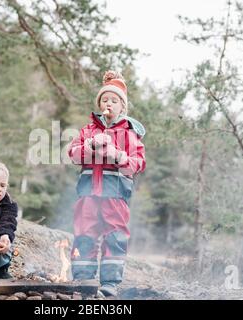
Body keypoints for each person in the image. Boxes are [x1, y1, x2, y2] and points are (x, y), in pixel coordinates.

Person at [67, 70, 146, 297]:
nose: (108, 104)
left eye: (114, 100)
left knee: (115, 235)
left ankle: (110, 282)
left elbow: (138, 164)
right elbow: (73, 155)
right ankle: (83, 279)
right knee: (85, 232)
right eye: (104, 99)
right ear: (99, 104)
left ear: (123, 106)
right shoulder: (88, 131)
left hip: (115, 195)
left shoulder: (130, 135)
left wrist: (117, 155)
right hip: (88, 193)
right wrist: (91, 145)